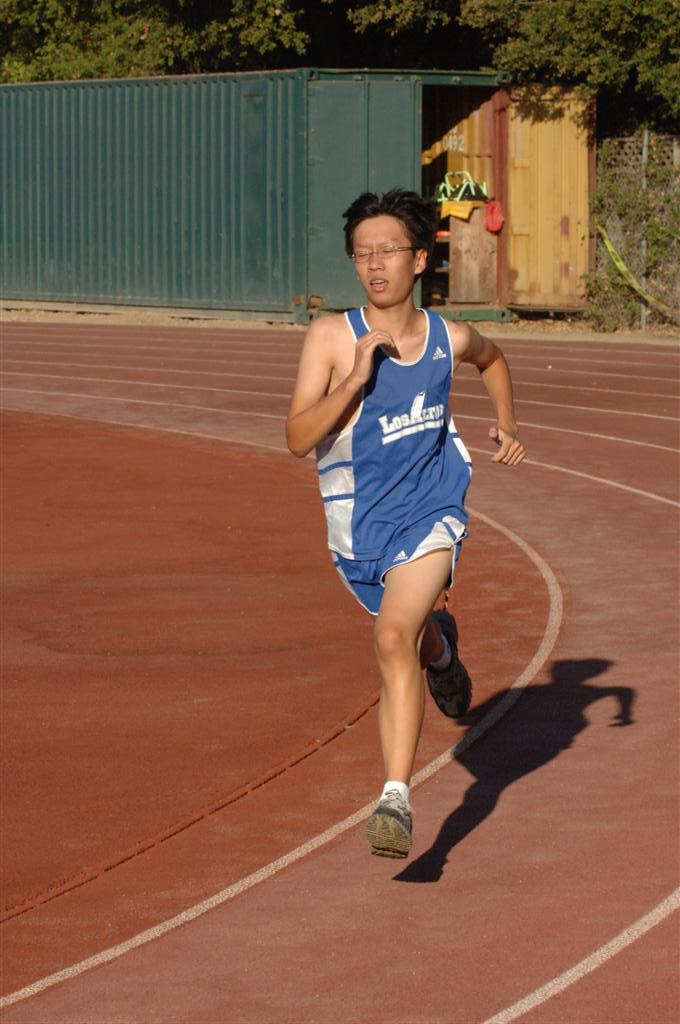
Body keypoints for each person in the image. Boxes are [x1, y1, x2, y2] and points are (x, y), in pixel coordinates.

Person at [285, 188, 525, 859]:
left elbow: (493, 359)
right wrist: (353, 380)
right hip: (359, 529)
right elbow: (297, 438)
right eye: (362, 253)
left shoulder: (448, 337)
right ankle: (441, 651)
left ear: (419, 259)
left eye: (387, 250)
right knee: (410, 636)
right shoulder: (332, 338)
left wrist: (506, 424)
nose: (374, 264)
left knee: (392, 637)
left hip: (431, 511)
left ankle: (395, 799)